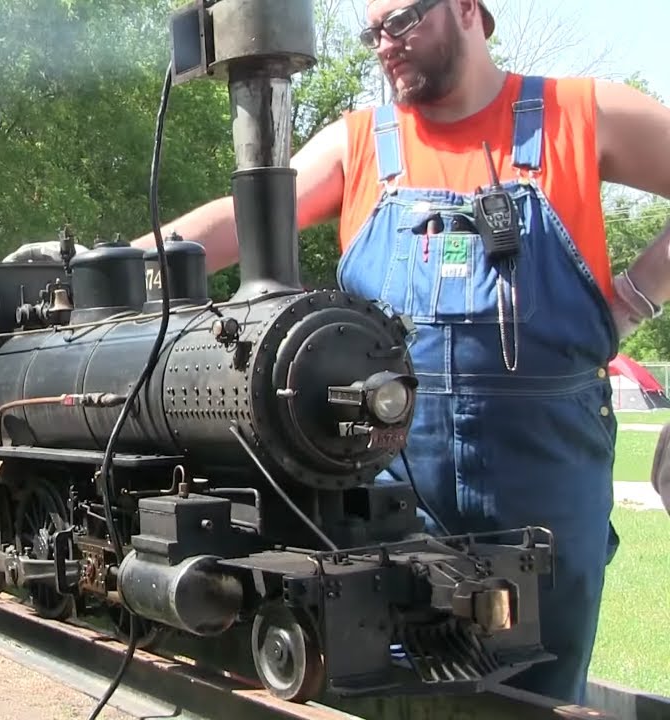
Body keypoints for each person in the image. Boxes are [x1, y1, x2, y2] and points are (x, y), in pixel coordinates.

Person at [126, 0, 670, 706]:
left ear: (470, 9)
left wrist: (635, 295)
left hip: (548, 487)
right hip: (387, 490)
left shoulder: (579, 113)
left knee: (539, 701)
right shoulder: (359, 143)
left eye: (403, 19)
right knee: (376, 693)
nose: (385, 44)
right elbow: (237, 218)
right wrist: (113, 266)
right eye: (372, 30)